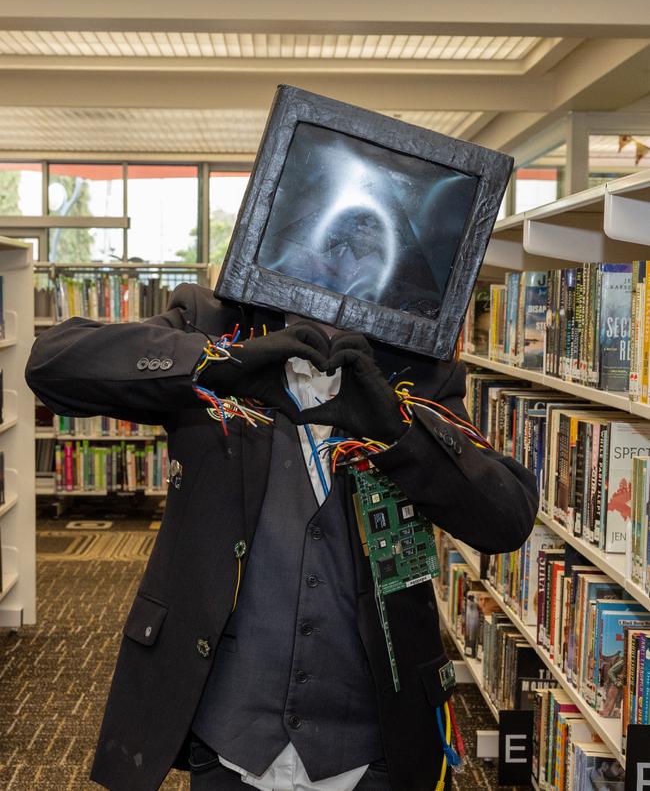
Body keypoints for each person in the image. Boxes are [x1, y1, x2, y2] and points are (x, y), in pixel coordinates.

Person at [25, 284, 539, 791]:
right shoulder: (214, 322)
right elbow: (53, 364)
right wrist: (217, 363)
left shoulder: (417, 366)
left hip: (373, 743)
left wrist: (399, 433)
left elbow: (505, 518)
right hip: (228, 737)